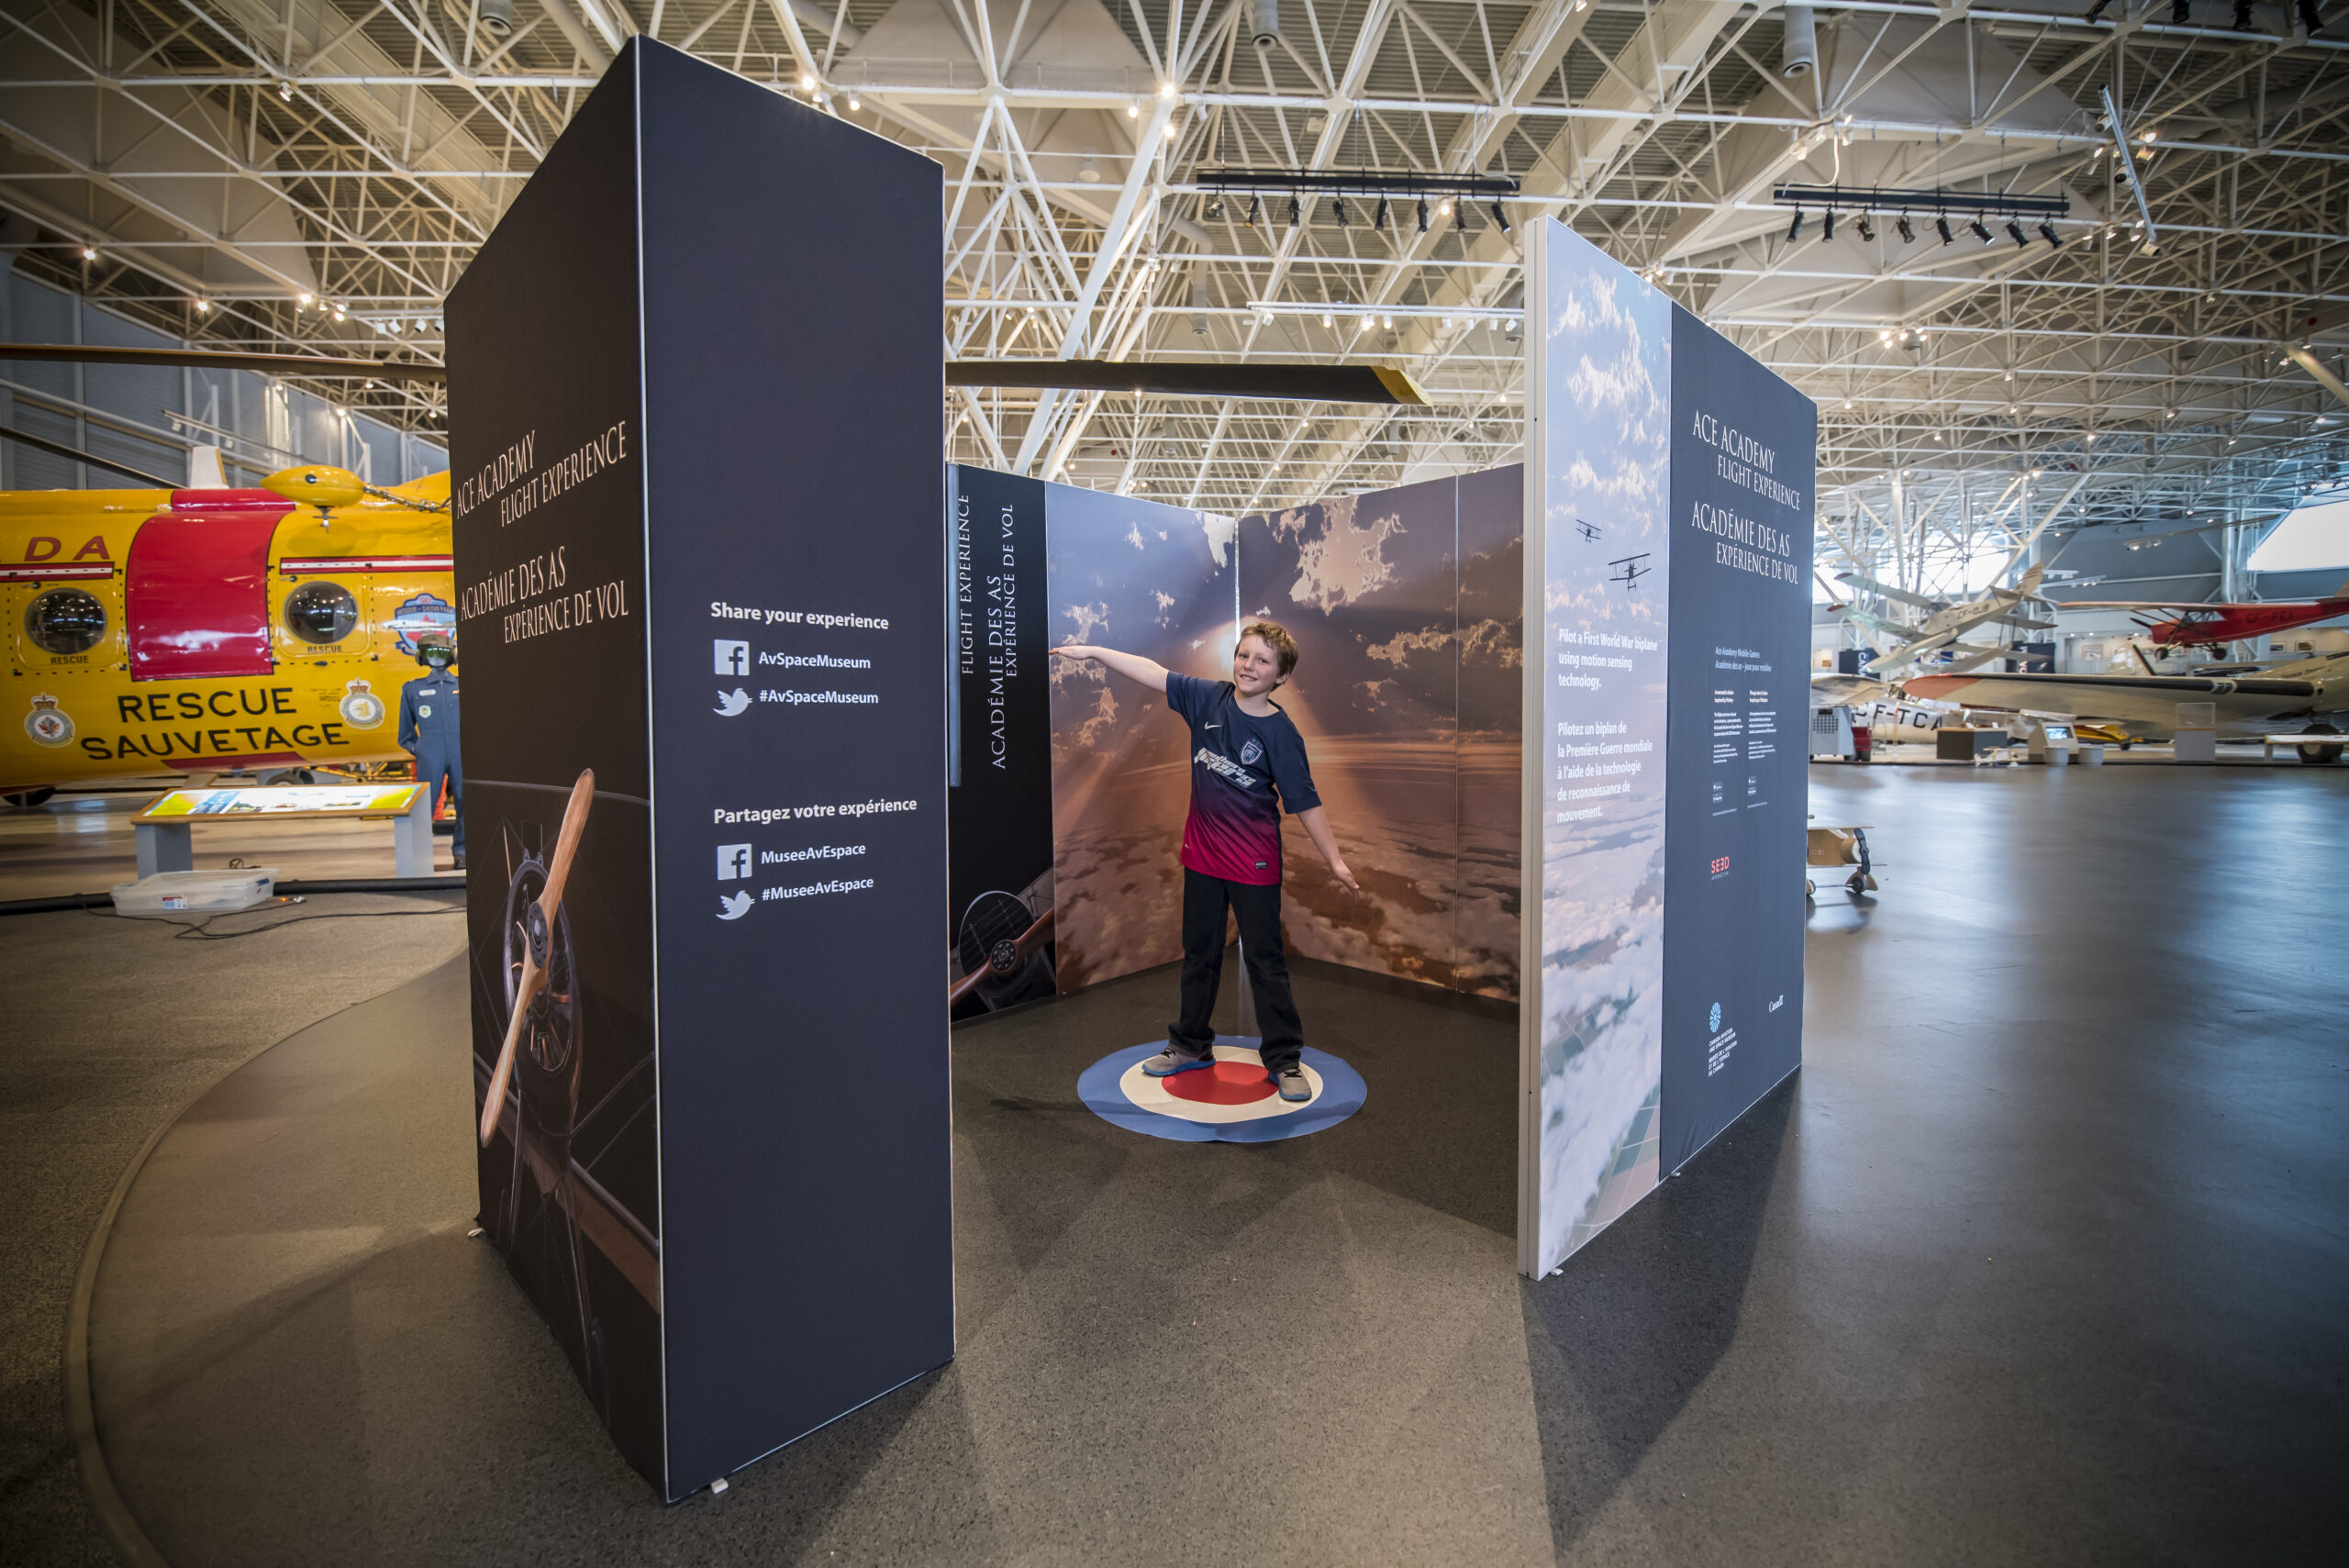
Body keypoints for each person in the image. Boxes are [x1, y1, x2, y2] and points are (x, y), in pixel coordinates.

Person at [1051, 620, 1357, 1103]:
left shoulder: (1281, 734)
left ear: (1281, 676)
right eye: (1243, 655)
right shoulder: (1208, 699)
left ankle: (1284, 1058)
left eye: (1262, 661)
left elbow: (1306, 803)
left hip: (1254, 865)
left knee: (1265, 962)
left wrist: (1335, 861)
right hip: (1203, 859)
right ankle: (1190, 1044)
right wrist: (1093, 652)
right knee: (1199, 954)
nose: (1248, 666)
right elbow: (1152, 672)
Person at [400, 631, 463, 870]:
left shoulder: (463, 685)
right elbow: (405, 733)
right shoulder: (412, 689)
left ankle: (462, 852)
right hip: (430, 754)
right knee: (423, 805)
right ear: (422, 657)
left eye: (442, 653)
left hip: (461, 753)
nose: (436, 658)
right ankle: (419, 855)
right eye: (431, 653)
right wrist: (420, 749)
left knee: (465, 803)